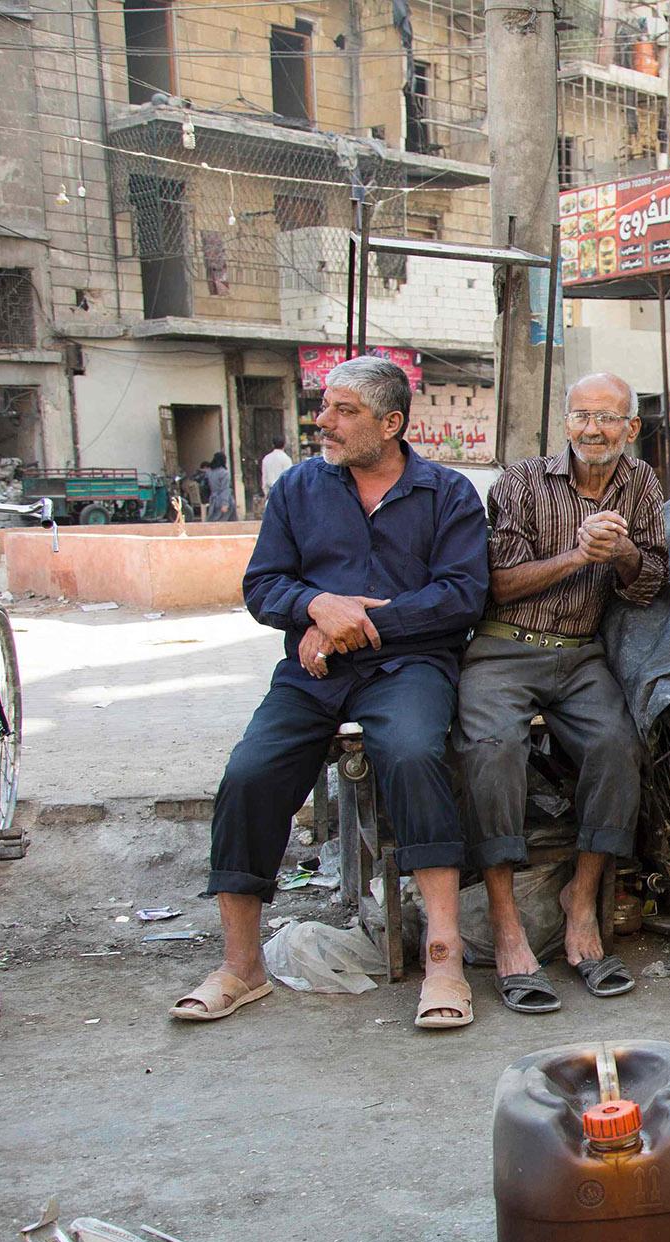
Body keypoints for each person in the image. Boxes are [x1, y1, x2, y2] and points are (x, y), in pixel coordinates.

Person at [170, 357, 489, 1028]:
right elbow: (264, 586)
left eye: (344, 410)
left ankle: (443, 959)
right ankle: (241, 965)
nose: (324, 421)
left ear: (391, 422)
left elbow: (462, 597)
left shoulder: (448, 493)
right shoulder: (298, 489)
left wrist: (353, 626)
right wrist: (317, 604)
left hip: (410, 667)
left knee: (412, 753)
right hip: (311, 673)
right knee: (250, 772)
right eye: (325, 407)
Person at [455, 372, 666, 1011]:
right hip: (503, 646)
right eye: (581, 416)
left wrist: (625, 553)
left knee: (617, 745)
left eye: (607, 418)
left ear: (631, 428)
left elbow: (649, 582)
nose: (592, 430)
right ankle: (507, 922)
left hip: (579, 657)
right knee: (491, 748)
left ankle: (581, 904)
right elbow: (498, 583)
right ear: (565, 422)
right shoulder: (521, 482)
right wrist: (578, 555)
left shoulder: (644, 485)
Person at [200, 451, 236, 522]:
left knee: (213, 520)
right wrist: (225, 503)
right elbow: (225, 489)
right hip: (224, 500)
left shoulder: (209, 472)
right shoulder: (224, 473)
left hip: (213, 500)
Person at [260, 438, 294, 513]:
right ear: (284, 445)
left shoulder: (267, 458)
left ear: (273, 445)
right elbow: (290, 478)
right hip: (283, 492)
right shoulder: (286, 459)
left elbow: (264, 477)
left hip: (271, 491)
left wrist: (265, 492)